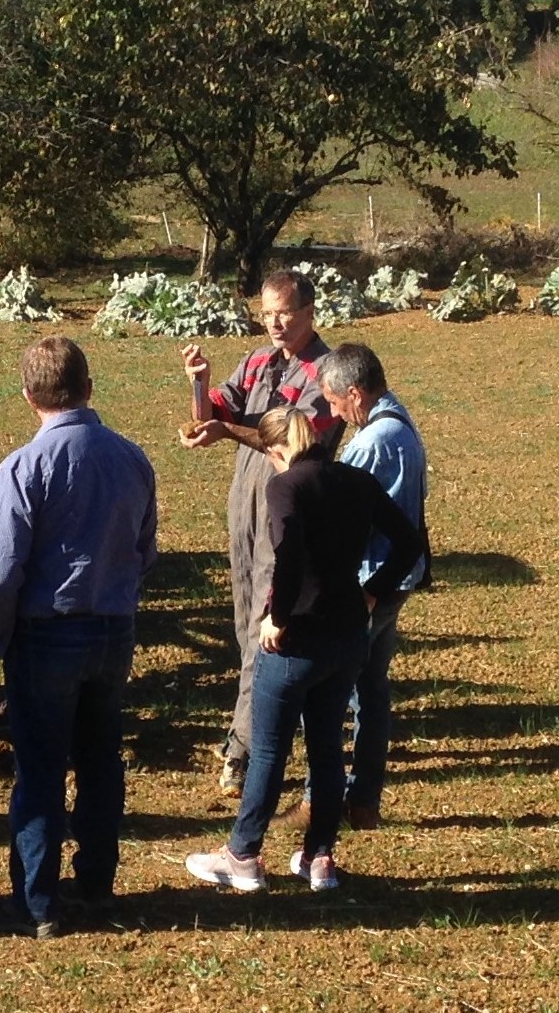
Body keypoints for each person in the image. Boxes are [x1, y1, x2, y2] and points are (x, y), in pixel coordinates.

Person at [184, 405, 421, 894]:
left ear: (276, 451)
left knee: (269, 750)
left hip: (298, 639)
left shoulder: (286, 485)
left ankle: (243, 854)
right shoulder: (356, 481)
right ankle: (319, 856)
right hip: (348, 636)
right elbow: (407, 539)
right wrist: (374, 588)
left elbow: (288, 552)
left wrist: (278, 617)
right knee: (327, 750)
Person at [0, 338, 158, 938]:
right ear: (89, 386)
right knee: (101, 759)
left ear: (29, 397)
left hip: (48, 635)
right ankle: (98, 885)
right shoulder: (133, 460)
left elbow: (1, 566)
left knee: (41, 768)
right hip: (113, 630)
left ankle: (37, 902)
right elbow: (144, 549)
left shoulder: (24, 468)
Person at [180, 270, 341, 797]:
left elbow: (295, 444)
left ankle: (244, 750)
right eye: (267, 312)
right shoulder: (256, 362)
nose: (275, 322)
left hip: (289, 502)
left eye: (285, 312)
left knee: (267, 623)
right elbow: (215, 414)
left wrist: (227, 430)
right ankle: (255, 735)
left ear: (310, 311)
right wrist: (200, 385)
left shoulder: (325, 373)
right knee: (242, 613)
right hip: (244, 500)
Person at [317, 342, 430, 830]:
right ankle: (364, 800)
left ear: (356, 394)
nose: (331, 410)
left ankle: (320, 799)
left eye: (334, 400)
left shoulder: (371, 443)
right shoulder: (400, 422)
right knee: (372, 689)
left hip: (368, 582)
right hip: (396, 579)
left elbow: (341, 515)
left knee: (331, 690)